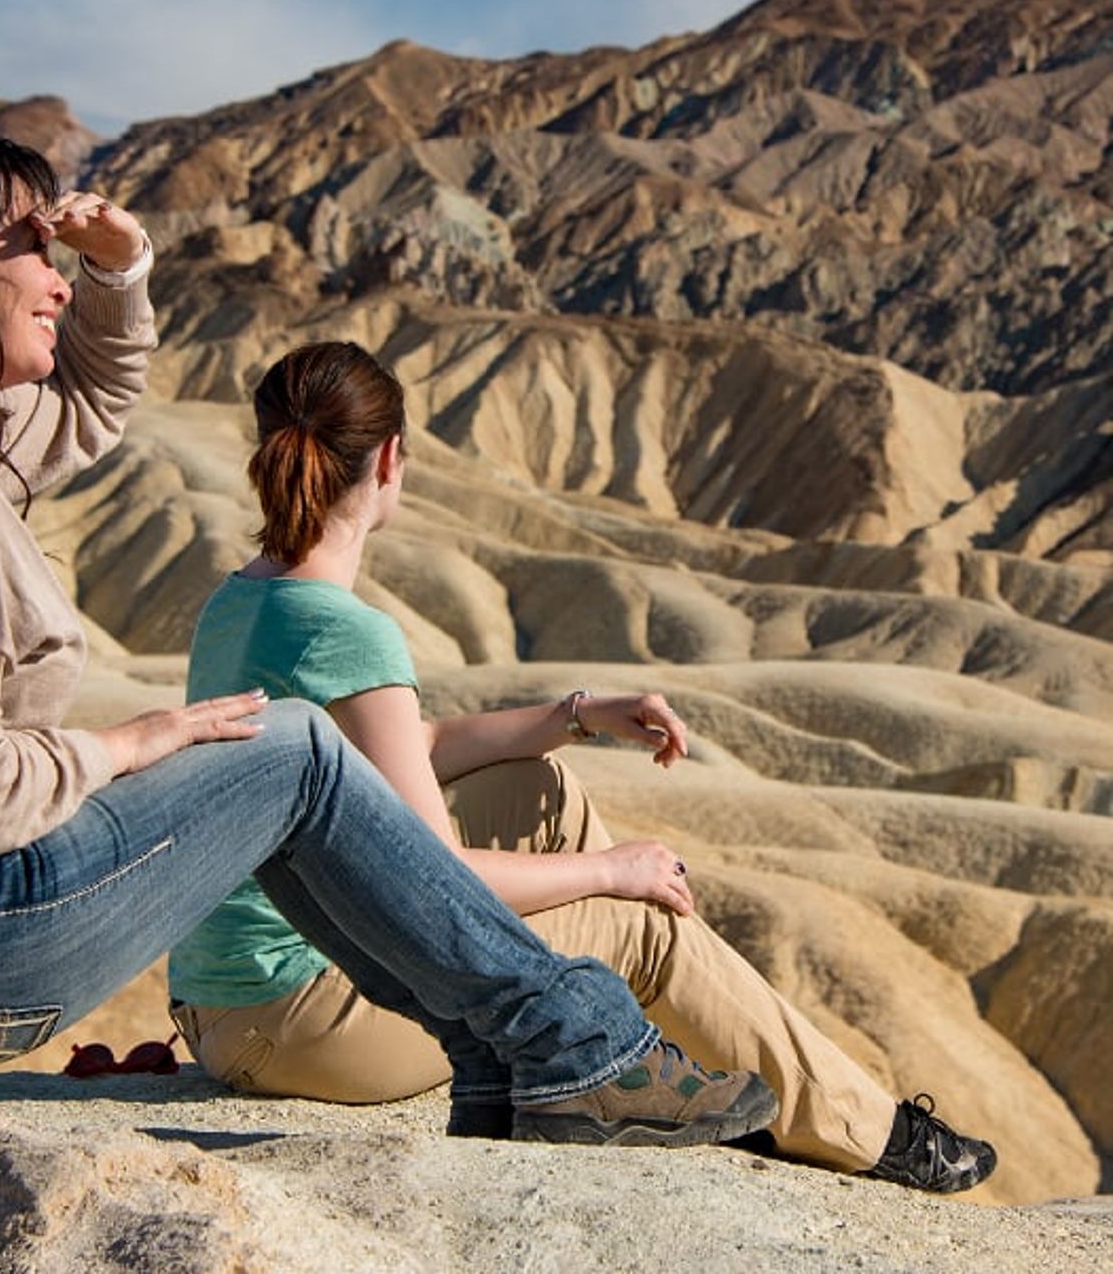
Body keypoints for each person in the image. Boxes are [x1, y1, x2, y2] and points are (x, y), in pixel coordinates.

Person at [0, 130, 778, 1155]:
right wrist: (132, 747)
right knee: (298, 751)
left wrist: (126, 272)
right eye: (31, 245)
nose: (59, 273)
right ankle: (570, 1052)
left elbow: (87, 400)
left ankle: (510, 1057)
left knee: (282, 759)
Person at [169, 339, 999, 1195]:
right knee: (640, 922)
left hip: (232, 1011)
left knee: (538, 787)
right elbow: (435, 883)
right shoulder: (347, 630)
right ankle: (865, 1131)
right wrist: (613, 871)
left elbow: (408, 746)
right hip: (307, 1027)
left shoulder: (245, 600)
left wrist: (571, 718)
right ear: (390, 460)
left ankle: (637, 1054)